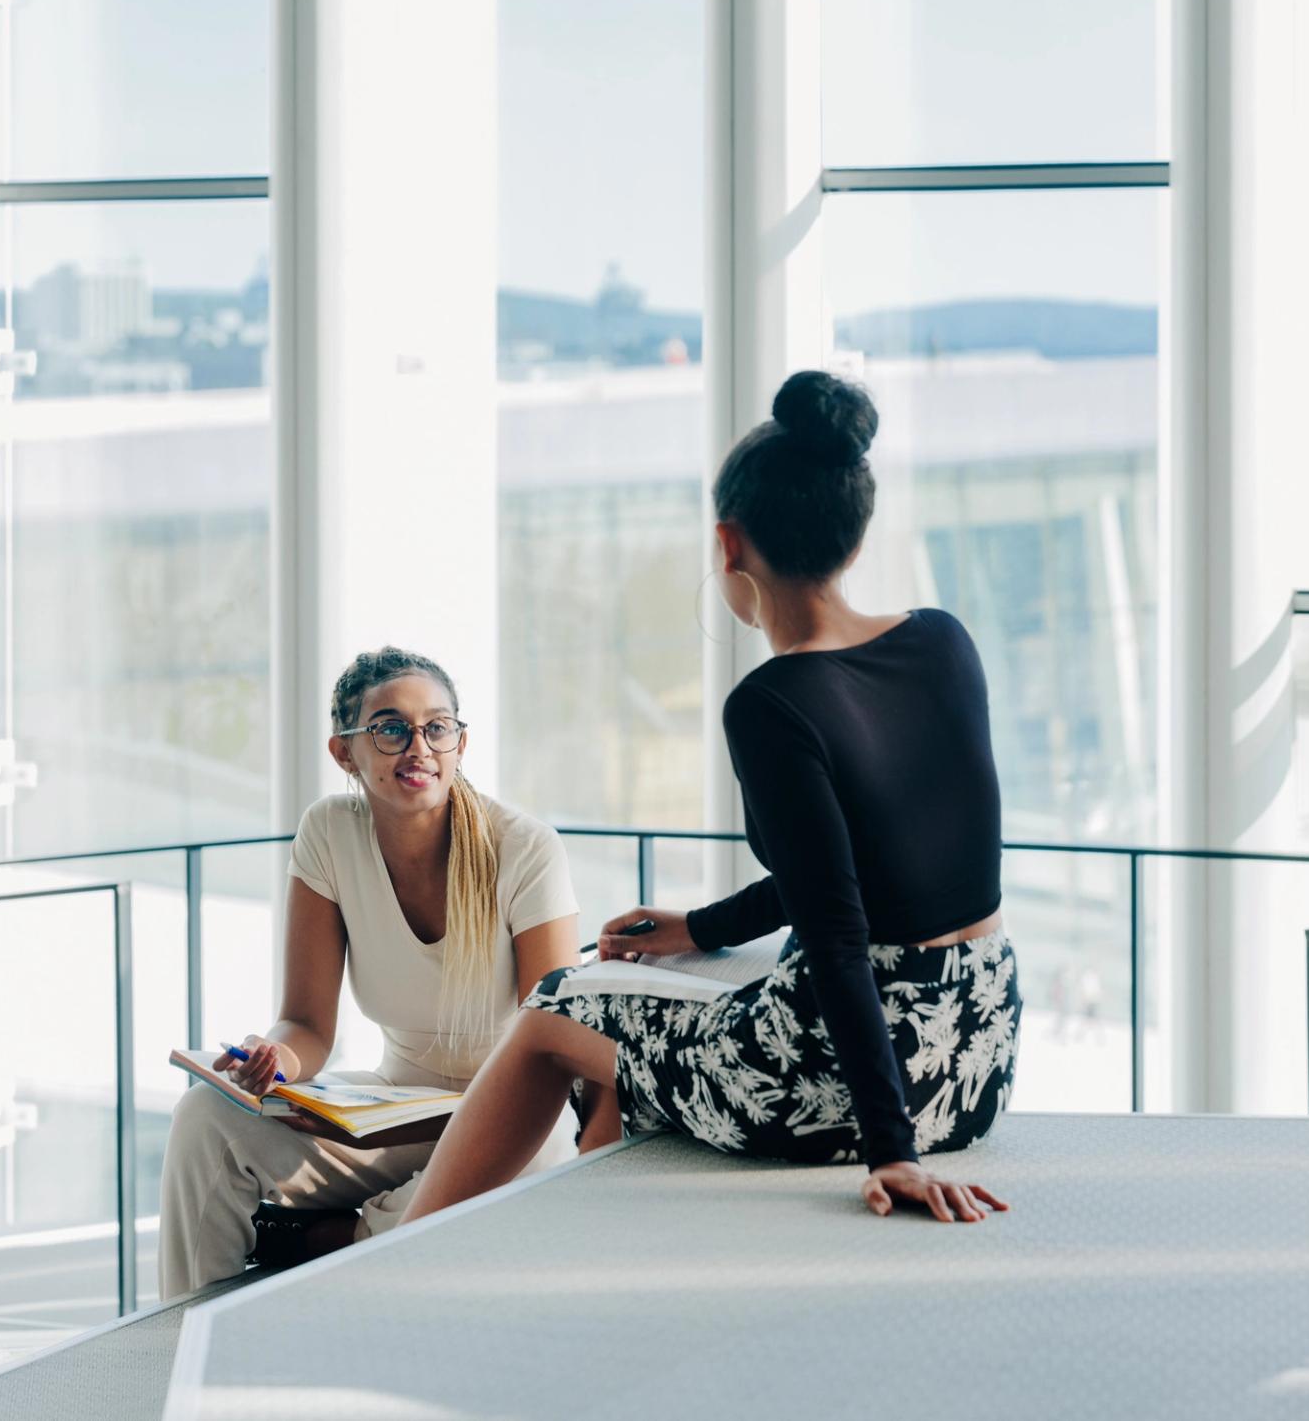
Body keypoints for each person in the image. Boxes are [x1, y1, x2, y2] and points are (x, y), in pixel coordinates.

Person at [403, 370, 1021, 1228]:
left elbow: (840, 935)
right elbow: (870, 873)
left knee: (554, 1006)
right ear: (854, 529)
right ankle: (600, 1234)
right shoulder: (944, 642)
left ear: (729, 546)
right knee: (639, 1027)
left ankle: (402, 1250)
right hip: (978, 1056)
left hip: (838, 1085)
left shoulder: (773, 703)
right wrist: (703, 929)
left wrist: (894, 1154)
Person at [157, 646, 582, 1297]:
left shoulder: (523, 847)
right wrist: (277, 1059)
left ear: (460, 742)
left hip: (514, 1111)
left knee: (547, 1149)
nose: (419, 747)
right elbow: (306, 1024)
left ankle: (331, 1243)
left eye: (437, 727)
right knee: (202, 1120)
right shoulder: (329, 833)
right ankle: (184, 1329)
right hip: (397, 1112)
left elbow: (556, 1044)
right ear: (344, 752)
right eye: (390, 729)